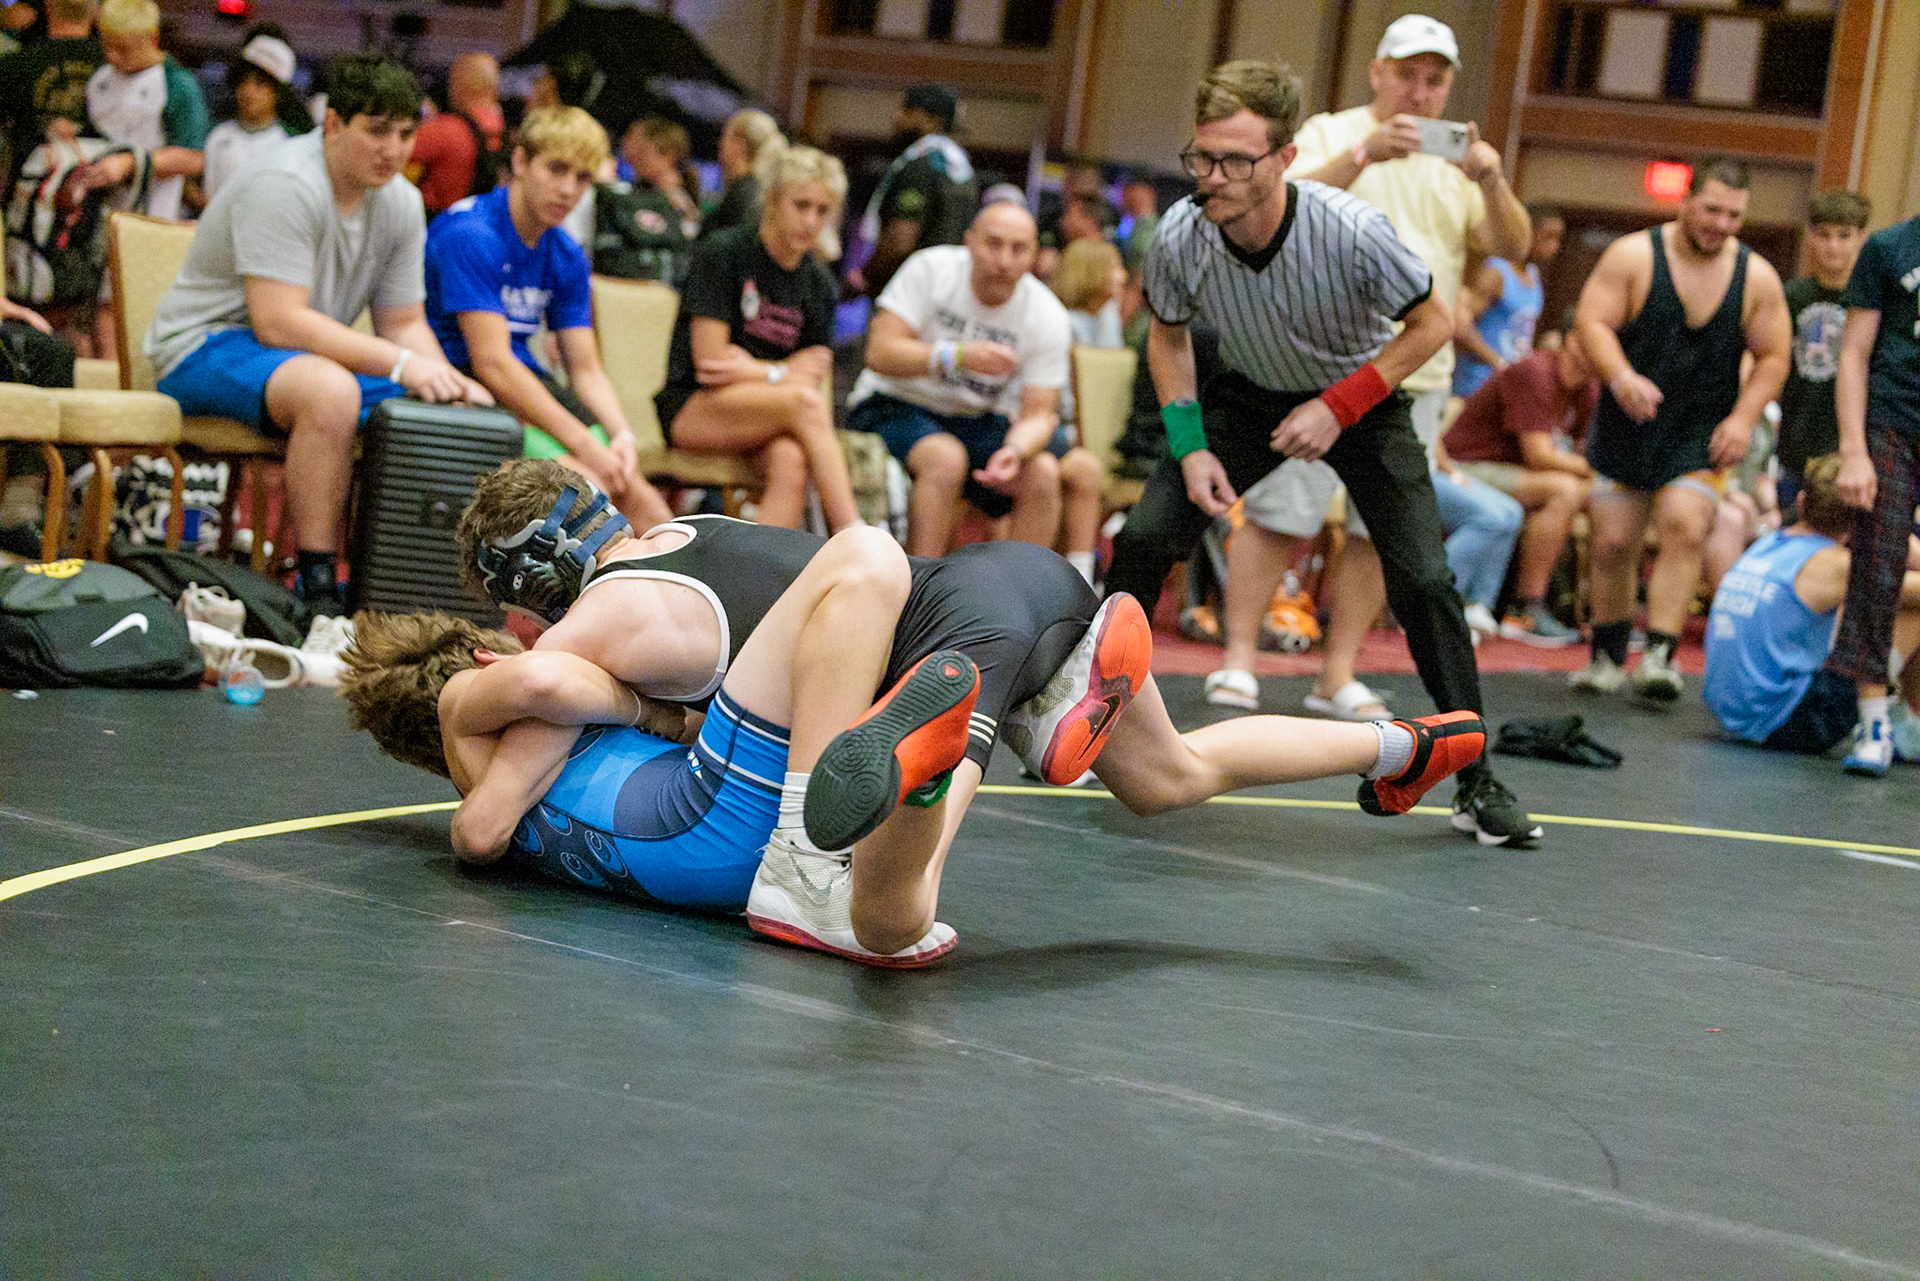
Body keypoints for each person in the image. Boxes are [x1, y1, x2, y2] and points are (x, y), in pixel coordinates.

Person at [437, 458, 1484, 963]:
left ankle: (855, 820)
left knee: (892, 903)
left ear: (532, 589)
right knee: (1175, 775)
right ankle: (1395, 744)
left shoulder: (590, 623)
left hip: (951, 639)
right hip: (1026, 583)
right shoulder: (692, 524)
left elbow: (547, 691)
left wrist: (601, 696)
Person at [1102, 58, 1539, 846]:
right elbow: (1167, 336)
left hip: (1361, 398)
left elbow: (1434, 325)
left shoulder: (1350, 229)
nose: (1213, 178)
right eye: (1202, 157)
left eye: (1236, 161)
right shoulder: (1182, 233)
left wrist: (1338, 407)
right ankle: (1094, 722)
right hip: (1249, 394)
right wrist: (1190, 446)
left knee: (1425, 580)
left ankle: (1476, 777)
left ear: (1285, 159)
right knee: (1143, 537)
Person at [1217, 14, 1533, 725]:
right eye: (1407, 75)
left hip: (1413, 371)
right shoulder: (1331, 132)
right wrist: (1364, 154)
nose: (1420, 92)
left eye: (1434, 80)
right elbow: (1270, 204)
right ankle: (1237, 658)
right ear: (1377, 73)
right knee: (1279, 513)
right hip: (1314, 364)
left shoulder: (1458, 163)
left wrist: (1492, 179)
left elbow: (1513, 245)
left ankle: (1337, 674)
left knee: (1375, 532)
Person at [145, 54, 492, 615]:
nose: (393, 150)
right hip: (202, 346)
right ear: (333, 123)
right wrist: (402, 365)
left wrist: (447, 382)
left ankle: (394, 590)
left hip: (293, 357)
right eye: (377, 131)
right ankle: (319, 592)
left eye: (406, 134)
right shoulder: (285, 182)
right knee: (332, 392)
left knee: (451, 410)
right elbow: (278, 320)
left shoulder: (401, 201)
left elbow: (403, 324)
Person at [1571, 157, 1790, 701]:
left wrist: (1743, 418)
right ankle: (1607, 657)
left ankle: (1660, 657)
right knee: (1613, 542)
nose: (1721, 224)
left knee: (1685, 525)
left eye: (1734, 216)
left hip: (1702, 429)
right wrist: (1620, 377)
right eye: (1712, 210)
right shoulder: (1633, 255)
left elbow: (1774, 356)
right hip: (1628, 419)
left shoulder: (1756, 276)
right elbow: (1592, 321)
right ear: (1686, 201)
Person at [423, 105, 672, 531]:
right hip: (460, 385)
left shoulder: (565, 253)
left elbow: (586, 369)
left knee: (649, 508)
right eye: (556, 169)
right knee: (591, 498)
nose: (568, 189)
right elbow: (492, 363)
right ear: (520, 161)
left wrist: (621, 435)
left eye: (582, 177)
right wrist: (584, 444)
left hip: (525, 383)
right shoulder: (471, 233)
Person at [847, 202, 1105, 577]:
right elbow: (879, 352)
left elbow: (1038, 413)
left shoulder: (1046, 313)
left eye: (1018, 249)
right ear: (969, 242)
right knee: (945, 457)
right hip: (895, 401)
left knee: (1043, 471)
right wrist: (957, 355)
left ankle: (1017, 602)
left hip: (976, 419)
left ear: (1034, 254)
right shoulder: (931, 269)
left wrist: (1015, 450)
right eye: (994, 244)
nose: (1004, 260)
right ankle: (919, 589)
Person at [653, 141, 861, 532]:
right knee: (804, 405)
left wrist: (753, 369)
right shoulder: (724, 252)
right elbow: (711, 364)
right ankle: (854, 533)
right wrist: (781, 372)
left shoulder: (819, 282)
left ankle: (762, 566)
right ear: (773, 200)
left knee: (791, 457)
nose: (811, 221)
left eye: (822, 210)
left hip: (767, 415)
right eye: (801, 205)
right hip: (693, 408)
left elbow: (813, 373)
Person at [1704, 454, 1920, 760]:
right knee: (1911, 608)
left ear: (1802, 501)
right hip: (1785, 724)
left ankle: (1894, 710)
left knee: (1868, 603)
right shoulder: (1835, 565)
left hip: (1731, 713)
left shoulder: (1768, 544)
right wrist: (1893, 533)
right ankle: (1900, 724)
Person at [1830, 205, 1920, 775]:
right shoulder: (1889, 248)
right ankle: (1873, 723)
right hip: (1892, 422)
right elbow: (1853, 351)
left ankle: (1910, 707)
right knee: (1877, 570)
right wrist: (1853, 451)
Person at [1441, 334, 1598, 645]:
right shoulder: (1535, 372)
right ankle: (1528, 609)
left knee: (1605, 497)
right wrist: (1598, 470)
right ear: (1573, 340)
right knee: (1565, 490)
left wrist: (1599, 474)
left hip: (1519, 475)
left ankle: (1596, 615)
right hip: (1467, 467)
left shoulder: (1589, 387)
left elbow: (1584, 451)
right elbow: (1539, 456)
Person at [1774, 190, 1871, 516]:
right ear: (1811, 237)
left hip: (1854, 451)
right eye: (1824, 235)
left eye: (1844, 236)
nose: (1833, 246)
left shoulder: (1871, 304)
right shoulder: (1790, 296)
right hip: (1797, 448)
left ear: (1862, 238)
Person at [80, 0, 206, 222]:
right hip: (96, 213)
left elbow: (194, 158)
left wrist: (130, 163)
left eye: (123, 49)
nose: (113, 56)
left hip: (153, 213)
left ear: (152, 38)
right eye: (107, 46)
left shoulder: (177, 83)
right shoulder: (99, 79)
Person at [847, 83, 975, 299]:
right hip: (946, 290)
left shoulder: (922, 165)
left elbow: (902, 238)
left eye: (906, 110)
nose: (896, 117)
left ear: (933, 120)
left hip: (906, 292)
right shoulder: (961, 168)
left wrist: (865, 277)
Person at [1453, 204, 1563, 398]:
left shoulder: (1533, 275)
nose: (1555, 245)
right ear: (1528, 232)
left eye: (1558, 238)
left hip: (1510, 388)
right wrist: (1498, 362)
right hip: (1478, 385)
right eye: (1548, 236)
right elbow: (1461, 327)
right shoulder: (1496, 273)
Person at [592, 117, 701, 286]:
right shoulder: (636, 193)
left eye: (643, 152)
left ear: (667, 156)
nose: (635, 157)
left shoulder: (678, 202)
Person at [201, 33, 311, 201]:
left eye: (259, 84)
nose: (248, 91)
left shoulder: (291, 145)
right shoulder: (215, 134)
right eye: (243, 81)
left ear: (278, 92)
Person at [0, 0, 99, 181]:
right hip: (102, 186)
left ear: (47, 4)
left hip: (29, 186)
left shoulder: (13, 66)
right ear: (95, 8)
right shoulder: (118, 67)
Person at [405, 51, 504, 219]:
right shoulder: (505, 130)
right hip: (486, 223)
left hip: (439, 225)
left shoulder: (446, 130)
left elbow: (393, 152)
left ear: (460, 83)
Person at [699, 108, 780, 241]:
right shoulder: (750, 188)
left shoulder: (744, 194)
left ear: (739, 145)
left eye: (725, 135)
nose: (720, 143)